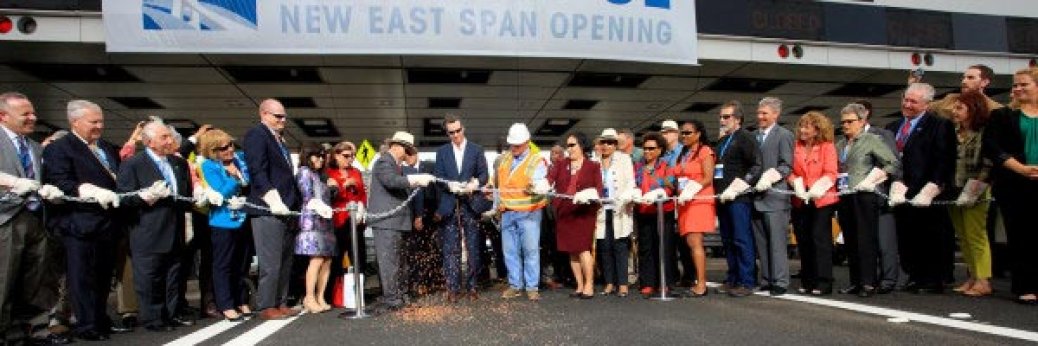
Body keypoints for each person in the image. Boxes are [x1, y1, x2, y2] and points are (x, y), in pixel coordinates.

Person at [43, 100, 124, 341]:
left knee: (102, 276)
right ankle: (86, 324)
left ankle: (100, 319)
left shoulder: (107, 148)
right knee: (82, 278)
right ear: (74, 122)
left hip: (108, 223)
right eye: (93, 122)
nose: (99, 126)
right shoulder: (60, 149)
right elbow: (60, 181)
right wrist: (86, 190)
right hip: (79, 224)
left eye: (101, 121)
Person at [0, 92, 69, 345]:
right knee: (4, 279)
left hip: (36, 218)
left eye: (33, 112)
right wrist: (11, 183)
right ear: (3, 116)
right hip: (6, 219)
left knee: (36, 279)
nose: (33, 118)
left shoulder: (34, 146)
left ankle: (27, 330)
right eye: (26, 114)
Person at [117, 120, 193, 331]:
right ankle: (153, 319)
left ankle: (170, 314)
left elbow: (186, 194)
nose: (170, 141)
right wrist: (145, 197)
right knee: (149, 278)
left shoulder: (179, 163)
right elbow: (123, 198)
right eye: (164, 137)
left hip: (176, 229)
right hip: (147, 230)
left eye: (169, 136)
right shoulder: (133, 164)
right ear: (149, 142)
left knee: (173, 276)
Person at [885, 83, 957, 294]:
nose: (907, 105)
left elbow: (944, 159)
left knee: (931, 236)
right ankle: (914, 275)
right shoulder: (892, 126)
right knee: (906, 236)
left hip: (927, 192)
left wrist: (933, 187)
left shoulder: (939, 125)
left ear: (927, 104)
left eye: (913, 102)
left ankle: (933, 279)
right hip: (900, 190)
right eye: (905, 100)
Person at [982, 67, 1038, 304]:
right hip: (1015, 183)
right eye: (1015, 85)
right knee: (1021, 235)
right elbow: (993, 148)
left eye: (1023, 84)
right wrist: (1022, 169)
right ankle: (1026, 286)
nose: (1017, 89)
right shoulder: (1002, 116)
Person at [243, 99, 302, 320]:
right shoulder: (257, 135)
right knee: (271, 261)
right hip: (267, 207)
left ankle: (281, 301)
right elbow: (257, 170)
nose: (283, 120)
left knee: (285, 260)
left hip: (286, 208)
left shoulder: (281, 141)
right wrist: (272, 198)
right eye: (278, 116)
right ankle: (266, 304)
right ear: (264, 114)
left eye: (284, 116)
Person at [835, 103, 898, 298]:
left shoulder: (871, 140)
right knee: (850, 240)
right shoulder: (840, 144)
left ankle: (868, 282)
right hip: (845, 195)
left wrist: (874, 179)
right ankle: (855, 281)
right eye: (843, 121)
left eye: (850, 121)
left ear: (862, 121)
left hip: (865, 195)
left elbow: (892, 162)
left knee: (865, 240)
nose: (845, 125)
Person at [367, 131, 434, 314]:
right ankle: (392, 299)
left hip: (395, 222)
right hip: (387, 222)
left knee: (398, 262)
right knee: (389, 262)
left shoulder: (395, 165)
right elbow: (392, 182)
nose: (407, 155)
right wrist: (415, 179)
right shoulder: (383, 162)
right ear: (399, 147)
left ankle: (398, 296)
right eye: (407, 150)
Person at [432, 115, 490, 302]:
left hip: (471, 204)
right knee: (451, 248)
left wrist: (476, 182)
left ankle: (472, 286)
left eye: (458, 130)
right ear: (447, 133)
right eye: (451, 132)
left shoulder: (476, 149)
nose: (456, 135)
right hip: (450, 204)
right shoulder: (442, 152)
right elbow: (438, 177)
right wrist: (450, 186)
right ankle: (453, 288)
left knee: (473, 246)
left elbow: (484, 174)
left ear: (463, 129)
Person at [198, 129, 253, 321]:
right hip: (222, 221)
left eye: (230, 145)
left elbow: (249, 182)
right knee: (223, 264)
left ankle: (241, 300)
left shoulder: (238, 160)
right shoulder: (209, 166)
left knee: (242, 263)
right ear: (213, 151)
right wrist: (232, 177)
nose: (229, 149)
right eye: (223, 148)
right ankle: (226, 304)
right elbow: (221, 193)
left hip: (242, 218)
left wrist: (239, 174)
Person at [945, 91, 995, 297]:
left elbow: (989, 163)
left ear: (972, 110)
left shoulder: (984, 132)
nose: (954, 112)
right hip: (953, 188)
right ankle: (973, 276)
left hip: (977, 187)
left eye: (959, 108)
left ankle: (983, 280)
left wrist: (976, 188)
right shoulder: (953, 132)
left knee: (976, 235)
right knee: (963, 236)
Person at [493, 123, 550, 301]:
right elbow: (497, 185)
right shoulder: (504, 159)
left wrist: (538, 186)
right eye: (512, 144)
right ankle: (515, 285)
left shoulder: (536, 160)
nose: (514, 148)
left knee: (530, 250)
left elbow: (541, 181)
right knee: (509, 251)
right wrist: (496, 206)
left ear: (527, 142)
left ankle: (532, 286)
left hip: (529, 214)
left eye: (517, 145)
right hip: (508, 212)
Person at [787, 112, 839, 296]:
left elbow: (831, 172)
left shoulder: (827, 147)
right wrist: (796, 183)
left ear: (818, 129)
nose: (802, 130)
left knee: (820, 239)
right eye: (801, 126)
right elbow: (789, 170)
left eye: (807, 126)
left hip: (821, 199)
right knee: (803, 239)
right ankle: (807, 280)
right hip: (800, 199)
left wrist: (818, 187)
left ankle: (824, 281)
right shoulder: (795, 147)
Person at [713, 101, 762, 297]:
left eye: (726, 117)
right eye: (721, 117)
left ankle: (747, 281)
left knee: (742, 239)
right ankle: (732, 278)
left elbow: (756, 166)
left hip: (739, 198)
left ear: (738, 119)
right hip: (722, 197)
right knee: (727, 240)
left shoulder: (746, 137)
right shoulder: (722, 141)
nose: (722, 120)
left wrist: (741, 186)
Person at [852, 99, 901, 294]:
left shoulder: (882, 134)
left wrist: (894, 186)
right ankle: (864, 280)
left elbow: (893, 163)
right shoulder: (848, 139)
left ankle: (889, 279)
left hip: (878, 194)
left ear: (866, 115)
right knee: (863, 240)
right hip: (856, 197)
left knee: (884, 241)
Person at [548, 132, 603, 299]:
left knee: (583, 249)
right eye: (568, 145)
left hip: (584, 213)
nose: (568, 148)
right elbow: (549, 179)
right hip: (565, 212)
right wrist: (539, 185)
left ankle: (589, 285)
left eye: (572, 145)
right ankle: (579, 285)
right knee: (571, 251)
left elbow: (598, 190)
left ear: (582, 146)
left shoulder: (593, 166)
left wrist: (587, 194)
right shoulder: (560, 164)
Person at [751, 97, 795, 296]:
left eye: (764, 113)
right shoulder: (753, 136)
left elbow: (786, 165)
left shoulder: (784, 135)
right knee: (762, 242)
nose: (760, 117)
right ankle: (767, 278)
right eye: (759, 113)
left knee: (777, 243)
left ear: (776, 114)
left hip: (775, 197)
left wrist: (771, 177)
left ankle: (780, 281)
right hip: (756, 197)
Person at [672, 120, 716, 297]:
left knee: (695, 242)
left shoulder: (705, 151)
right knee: (690, 243)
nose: (684, 136)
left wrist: (690, 190)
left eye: (688, 132)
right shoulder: (684, 153)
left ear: (698, 134)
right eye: (682, 133)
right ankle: (698, 280)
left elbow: (708, 177)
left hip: (698, 201)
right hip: (684, 202)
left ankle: (702, 284)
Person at [633, 132, 677, 297]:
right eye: (645, 148)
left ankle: (664, 282)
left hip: (662, 212)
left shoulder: (667, 166)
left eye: (651, 148)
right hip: (644, 212)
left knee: (664, 247)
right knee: (646, 248)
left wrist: (658, 193)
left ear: (660, 150)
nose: (647, 152)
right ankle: (648, 282)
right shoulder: (637, 166)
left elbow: (671, 187)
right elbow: (635, 184)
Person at [293, 146, 336, 313]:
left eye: (322, 156)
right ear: (307, 157)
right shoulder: (304, 172)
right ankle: (309, 297)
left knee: (327, 259)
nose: (320, 159)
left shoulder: (320, 176)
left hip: (325, 219)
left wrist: (333, 189)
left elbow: (324, 196)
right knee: (316, 259)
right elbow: (307, 196)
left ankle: (320, 296)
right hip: (311, 219)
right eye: (316, 156)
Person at [593, 129, 635, 298]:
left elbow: (630, 183)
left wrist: (624, 199)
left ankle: (623, 283)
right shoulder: (594, 161)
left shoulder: (624, 159)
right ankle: (609, 282)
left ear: (616, 145)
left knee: (620, 246)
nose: (606, 145)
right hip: (601, 210)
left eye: (610, 142)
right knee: (604, 247)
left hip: (619, 209)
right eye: (603, 142)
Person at [324, 141, 367, 306]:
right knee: (336, 259)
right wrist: (343, 186)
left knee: (359, 257)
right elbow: (328, 197)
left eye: (352, 156)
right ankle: (334, 296)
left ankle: (358, 295)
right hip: (337, 221)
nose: (350, 159)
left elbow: (362, 195)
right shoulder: (329, 172)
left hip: (355, 220)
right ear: (336, 155)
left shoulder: (356, 172)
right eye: (346, 156)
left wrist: (363, 212)